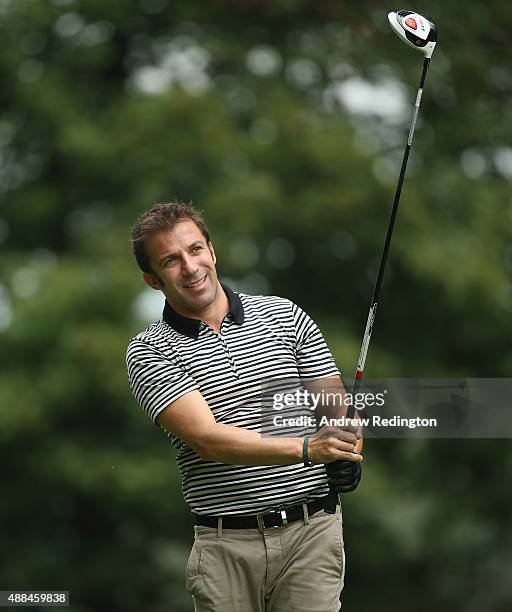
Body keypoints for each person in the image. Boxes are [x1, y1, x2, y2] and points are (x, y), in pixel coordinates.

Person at [126, 201, 363, 612]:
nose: (190, 267)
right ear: (152, 279)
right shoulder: (149, 350)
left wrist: (349, 450)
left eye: (195, 250)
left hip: (312, 534)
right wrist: (309, 449)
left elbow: (336, 415)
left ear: (212, 252)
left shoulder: (285, 315)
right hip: (225, 548)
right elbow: (209, 440)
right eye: (171, 260)